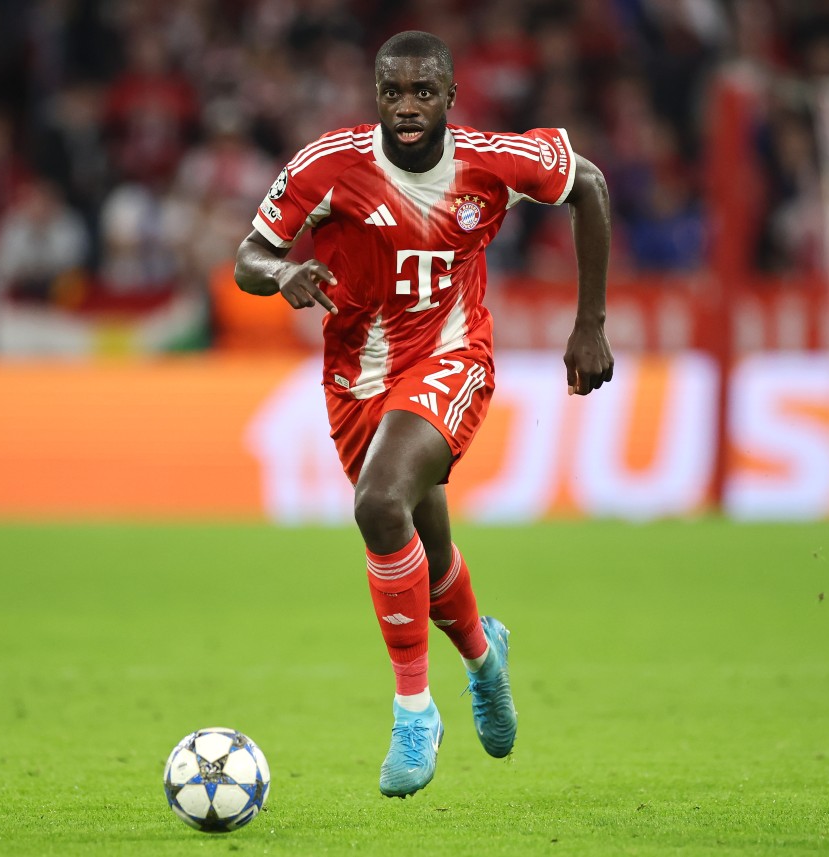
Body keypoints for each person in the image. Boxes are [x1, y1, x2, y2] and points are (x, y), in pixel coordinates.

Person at [234, 30, 614, 799]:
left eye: (423, 92)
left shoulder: (490, 162)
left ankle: (414, 711)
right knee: (425, 552)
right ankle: (483, 654)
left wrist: (590, 324)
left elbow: (592, 186)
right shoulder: (327, 165)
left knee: (377, 503)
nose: (407, 107)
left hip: (451, 358)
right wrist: (282, 273)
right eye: (393, 92)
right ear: (377, 96)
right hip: (355, 379)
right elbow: (248, 254)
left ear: (450, 97)